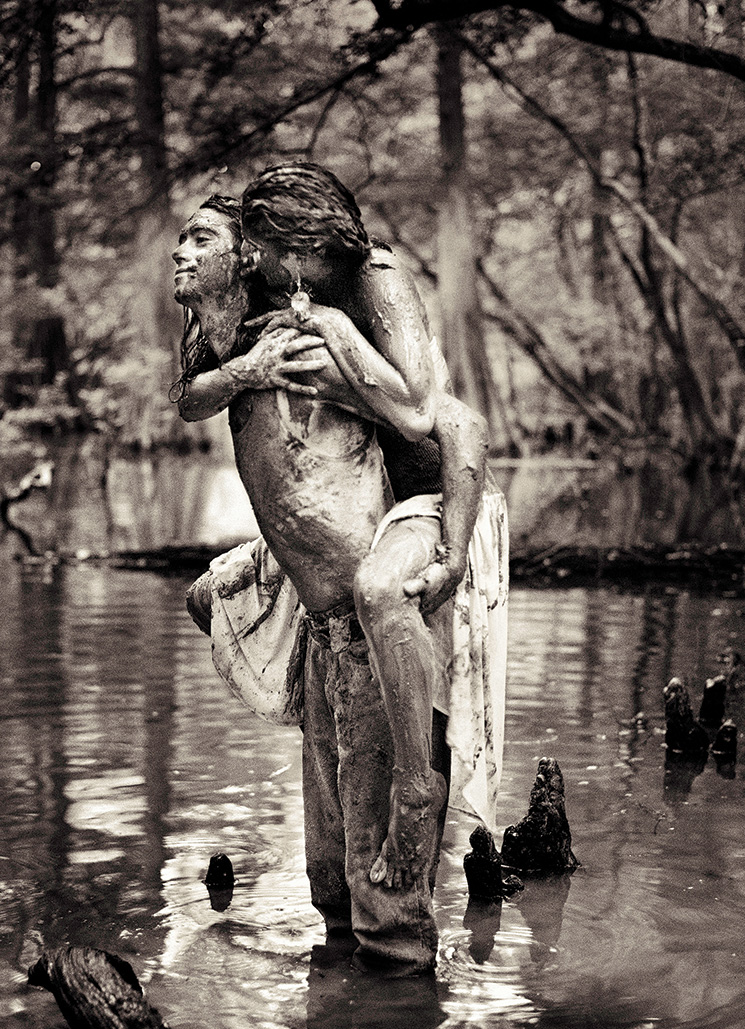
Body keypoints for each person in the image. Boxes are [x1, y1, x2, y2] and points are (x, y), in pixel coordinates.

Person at [173, 187, 506, 971]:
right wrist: (249, 369)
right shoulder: (245, 331)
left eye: (206, 240)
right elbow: (193, 397)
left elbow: (448, 422)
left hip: (378, 602)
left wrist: (450, 552)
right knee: (330, 885)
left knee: (384, 913)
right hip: (320, 621)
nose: (189, 256)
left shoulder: (350, 302)